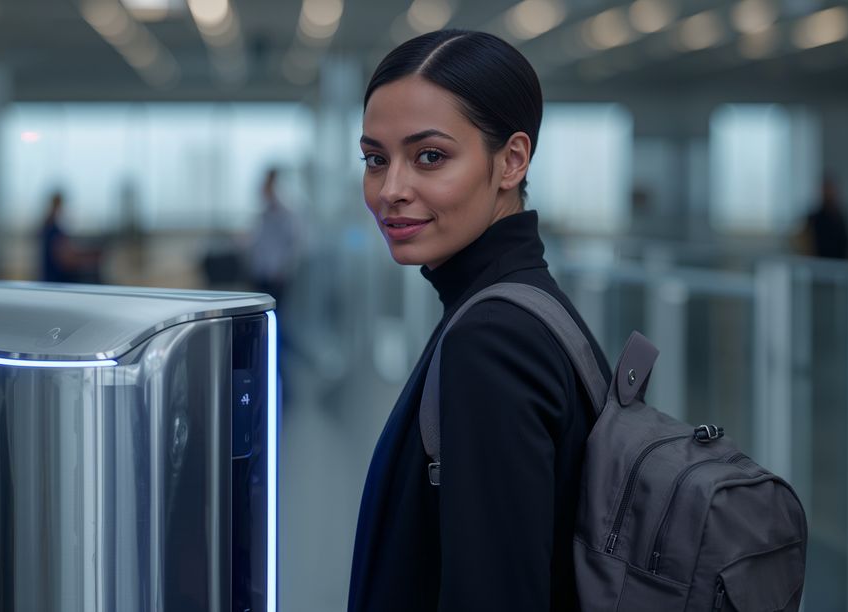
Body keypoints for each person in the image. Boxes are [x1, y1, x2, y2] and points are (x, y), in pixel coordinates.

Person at [348, 30, 610, 611]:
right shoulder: (519, 306)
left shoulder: (493, 339)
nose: (390, 190)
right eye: (375, 159)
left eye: (430, 156)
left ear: (511, 160)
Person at [247, 168, 300, 307]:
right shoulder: (264, 214)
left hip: (277, 274)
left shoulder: (285, 214)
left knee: (277, 312)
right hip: (261, 272)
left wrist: (283, 268)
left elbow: (292, 243)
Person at [40, 191, 101, 283]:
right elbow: (66, 259)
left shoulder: (50, 227)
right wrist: (90, 259)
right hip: (56, 284)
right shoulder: (52, 229)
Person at [795, 175, 848, 259]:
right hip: (819, 264)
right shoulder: (813, 218)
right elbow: (807, 247)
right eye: (826, 190)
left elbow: (846, 245)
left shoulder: (841, 217)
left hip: (839, 265)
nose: (829, 193)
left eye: (831, 189)